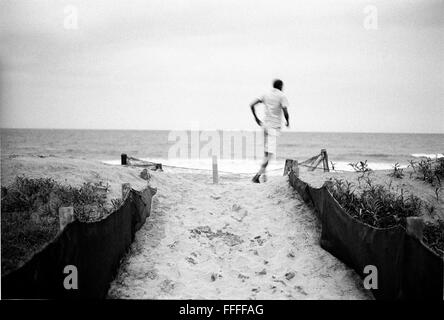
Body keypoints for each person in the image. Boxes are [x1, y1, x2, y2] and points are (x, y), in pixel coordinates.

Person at [250, 79, 290, 183]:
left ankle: (264, 176)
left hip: (265, 126)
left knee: (266, 153)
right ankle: (257, 176)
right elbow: (285, 111)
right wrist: (288, 121)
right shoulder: (282, 96)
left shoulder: (266, 94)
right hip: (274, 128)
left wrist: (256, 119)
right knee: (269, 154)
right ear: (281, 86)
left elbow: (252, 105)